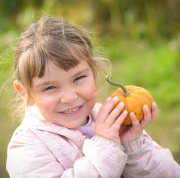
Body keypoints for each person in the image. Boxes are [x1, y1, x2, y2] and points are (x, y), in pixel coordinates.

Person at [6, 15, 180, 178]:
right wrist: (106, 145)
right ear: (25, 93)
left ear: (93, 73)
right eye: (50, 87)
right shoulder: (25, 146)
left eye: (79, 78)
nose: (69, 97)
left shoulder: (110, 120)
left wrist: (134, 146)